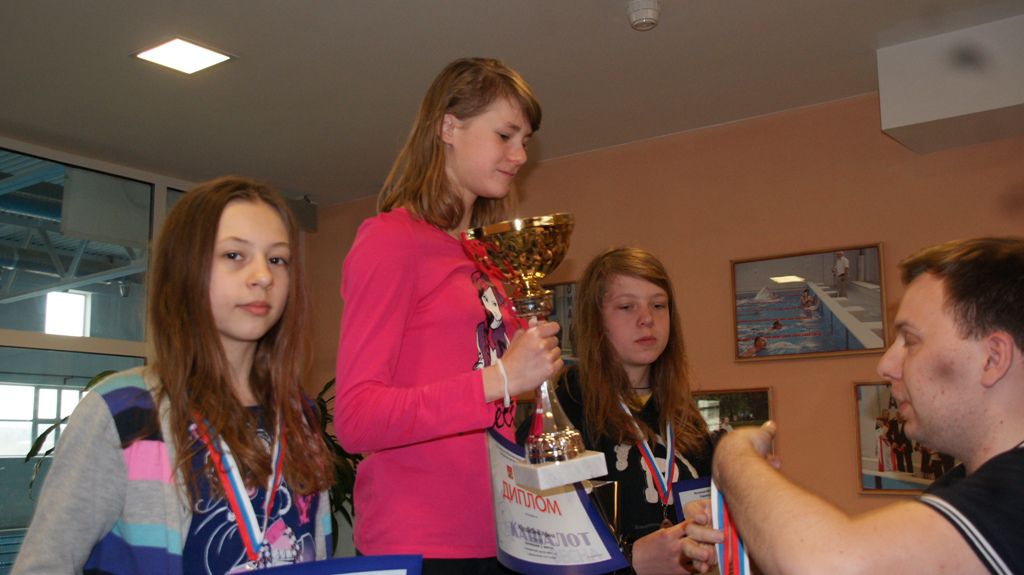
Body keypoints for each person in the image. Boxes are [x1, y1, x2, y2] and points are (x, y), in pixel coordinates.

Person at [13, 176, 335, 574]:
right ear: (185, 270)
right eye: (234, 255)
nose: (263, 276)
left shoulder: (300, 413)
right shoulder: (122, 411)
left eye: (277, 259)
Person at [333, 57, 562, 573]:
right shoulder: (391, 241)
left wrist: (530, 372)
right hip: (420, 542)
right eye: (505, 135)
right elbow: (356, 419)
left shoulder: (486, 259)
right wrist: (500, 379)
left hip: (504, 532)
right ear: (448, 127)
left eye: (525, 140)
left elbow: (494, 401)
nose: (520, 155)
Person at [687, 236, 1024, 574]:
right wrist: (750, 535)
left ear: (992, 358)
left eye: (910, 341)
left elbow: (831, 565)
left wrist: (732, 455)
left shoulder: (1013, 492)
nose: (886, 364)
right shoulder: (960, 489)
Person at [529, 247, 713, 575]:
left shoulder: (685, 417)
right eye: (627, 306)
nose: (647, 319)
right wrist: (632, 561)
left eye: (658, 305)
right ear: (596, 320)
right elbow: (539, 550)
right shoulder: (564, 409)